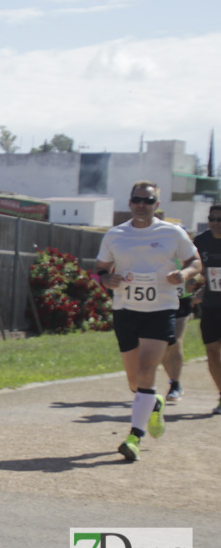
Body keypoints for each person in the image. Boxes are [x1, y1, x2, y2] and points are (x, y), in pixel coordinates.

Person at [94, 181, 200, 461]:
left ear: (157, 205)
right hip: (126, 311)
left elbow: (195, 262)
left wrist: (185, 275)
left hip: (161, 310)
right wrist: (107, 280)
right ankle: (154, 403)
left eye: (149, 200)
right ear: (129, 203)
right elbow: (100, 271)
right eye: (138, 199)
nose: (143, 204)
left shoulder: (172, 233)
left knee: (145, 370)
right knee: (135, 382)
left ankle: (134, 438)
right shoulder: (115, 235)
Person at [192, 203, 221, 415]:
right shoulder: (201, 241)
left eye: (220, 220)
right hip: (211, 305)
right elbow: (192, 266)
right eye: (213, 219)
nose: (216, 223)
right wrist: (195, 283)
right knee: (212, 351)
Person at [160, 252, 193, 403]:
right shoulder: (156, 250)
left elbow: (198, 270)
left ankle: (176, 384)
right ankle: (173, 381)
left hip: (182, 300)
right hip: (162, 301)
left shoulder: (186, 252)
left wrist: (193, 280)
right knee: (166, 343)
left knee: (176, 340)